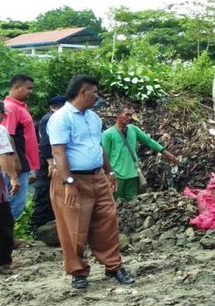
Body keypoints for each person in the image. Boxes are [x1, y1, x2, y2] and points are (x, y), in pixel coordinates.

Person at [48, 75, 135, 289]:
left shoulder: (93, 118)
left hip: (97, 177)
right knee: (74, 229)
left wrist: (110, 172)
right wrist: (68, 181)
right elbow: (58, 152)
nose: (97, 96)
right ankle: (78, 272)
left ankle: (113, 266)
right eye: (94, 92)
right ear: (83, 91)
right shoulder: (61, 118)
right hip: (73, 179)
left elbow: (98, 147)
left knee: (108, 221)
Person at [102, 105, 178, 201]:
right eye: (127, 115)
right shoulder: (108, 134)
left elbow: (149, 141)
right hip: (117, 175)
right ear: (118, 115)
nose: (129, 118)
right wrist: (108, 174)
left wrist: (165, 152)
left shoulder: (133, 129)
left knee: (132, 203)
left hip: (133, 174)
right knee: (113, 202)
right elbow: (105, 156)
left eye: (131, 115)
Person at [2, 74, 40, 224]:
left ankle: (8, 237)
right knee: (14, 202)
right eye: (28, 88)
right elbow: (7, 137)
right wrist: (16, 164)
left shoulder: (19, 106)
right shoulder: (10, 107)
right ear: (16, 87)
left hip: (24, 163)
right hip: (16, 164)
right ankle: (6, 238)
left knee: (15, 202)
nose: (31, 91)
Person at [29, 94, 67, 233]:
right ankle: (38, 228)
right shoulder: (51, 119)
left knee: (51, 193)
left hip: (51, 161)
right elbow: (45, 142)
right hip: (48, 163)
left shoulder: (48, 117)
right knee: (45, 193)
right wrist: (50, 161)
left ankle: (47, 226)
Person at [0, 102, 21, 271]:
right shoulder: (0, 130)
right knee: (4, 221)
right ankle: (4, 261)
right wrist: (13, 178)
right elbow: (4, 156)